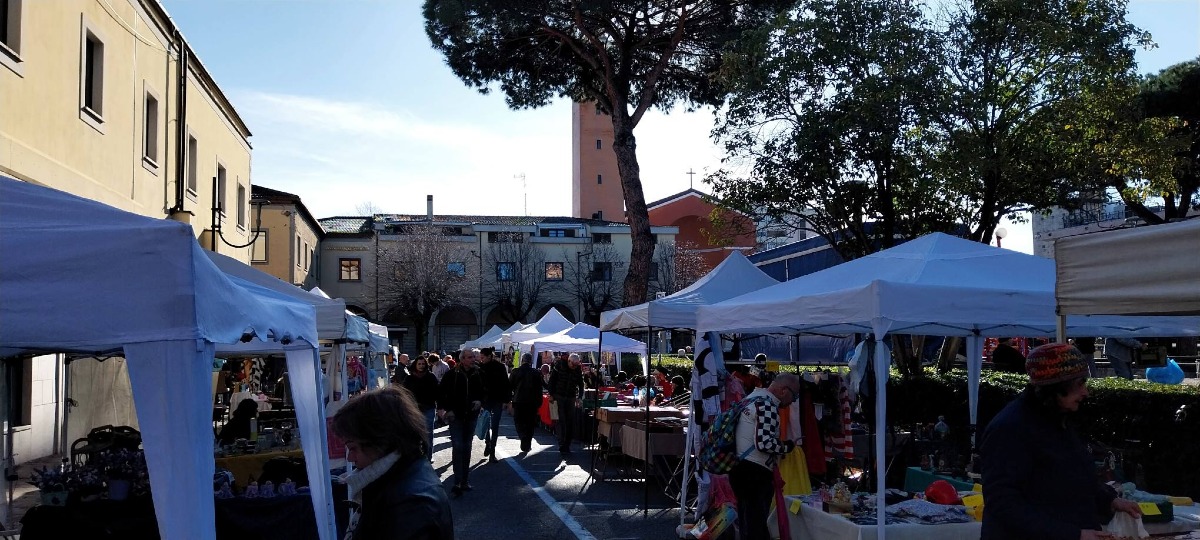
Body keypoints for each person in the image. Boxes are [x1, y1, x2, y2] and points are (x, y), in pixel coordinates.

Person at [981, 343, 1141, 540]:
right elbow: (1003, 503)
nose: (1086, 392)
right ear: (1057, 387)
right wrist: (1073, 534)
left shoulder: (1057, 418)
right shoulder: (1010, 428)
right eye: (1080, 383)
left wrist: (1110, 500)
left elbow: (1075, 477)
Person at [331, 387, 454, 540]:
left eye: (352, 448)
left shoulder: (409, 506)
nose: (350, 458)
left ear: (379, 441)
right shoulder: (402, 476)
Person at [729, 373, 801, 540]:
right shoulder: (767, 405)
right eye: (795, 395)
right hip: (754, 473)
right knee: (756, 527)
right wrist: (788, 446)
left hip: (739, 467)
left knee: (748, 525)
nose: (793, 401)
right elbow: (764, 443)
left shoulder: (751, 398)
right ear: (784, 390)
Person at [436, 348, 484, 496]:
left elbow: (485, 390)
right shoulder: (452, 374)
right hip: (456, 416)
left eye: (473, 357)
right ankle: (457, 481)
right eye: (469, 357)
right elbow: (441, 393)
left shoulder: (479, 373)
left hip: (471, 415)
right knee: (458, 446)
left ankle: (464, 480)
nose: (473, 359)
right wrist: (445, 409)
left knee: (467, 446)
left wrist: (480, 401)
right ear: (462, 359)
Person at [402, 355, 440, 460]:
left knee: (428, 434)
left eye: (423, 364)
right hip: (414, 410)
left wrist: (440, 406)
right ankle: (417, 457)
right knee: (415, 434)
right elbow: (404, 393)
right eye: (419, 364)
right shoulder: (409, 378)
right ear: (415, 365)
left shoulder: (431, 377)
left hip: (429, 408)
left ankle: (428, 457)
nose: (421, 366)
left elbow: (437, 392)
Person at [477, 347, 511, 463]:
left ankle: (492, 450)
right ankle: (488, 443)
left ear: (489, 356)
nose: (481, 359)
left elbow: (506, 384)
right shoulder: (480, 367)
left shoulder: (499, 367)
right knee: (486, 423)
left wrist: (507, 400)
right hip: (486, 400)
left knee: (494, 426)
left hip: (496, 400)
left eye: (482, 357)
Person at [547, 353, 584, 455]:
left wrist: (579, 397)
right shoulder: (559, 366)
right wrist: (551, 394)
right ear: (569, 361)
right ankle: (562, 443)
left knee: (570, 421)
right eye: (573, 364)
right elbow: (552, 381)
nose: (574, 367)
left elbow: (581, 384)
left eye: (576, 365)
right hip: (559, 396)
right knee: (560, 420)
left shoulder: (577, 369)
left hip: (571, 397)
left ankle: (567, 444)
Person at [509, 353, 545, 453]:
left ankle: (522, 436)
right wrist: (539, 401)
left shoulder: (515, 371)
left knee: (518, 421)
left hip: (518, 400)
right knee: (530, 423)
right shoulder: (536, 372)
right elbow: (539, 389)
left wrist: (509, 399)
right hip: (532, 402)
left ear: (522, 360)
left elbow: (510, 386)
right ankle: (527, 443)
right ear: (530, 361)